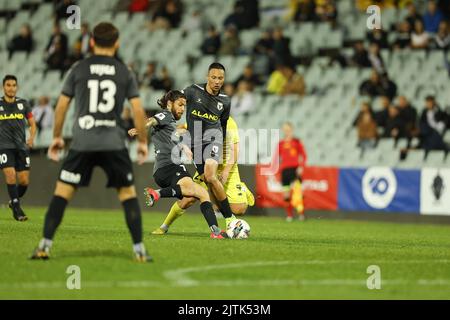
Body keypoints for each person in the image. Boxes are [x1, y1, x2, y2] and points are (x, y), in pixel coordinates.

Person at [30, 22, 151, 262]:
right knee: (127, 195)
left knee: (62, 193)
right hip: (113, 143)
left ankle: (44, 246)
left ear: (92, 42)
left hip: (82, 143)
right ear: (117, 44)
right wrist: (142, 142)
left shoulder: (79, 68)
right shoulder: (124, 71)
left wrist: (56, 137)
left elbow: (62, 105)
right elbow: (137, 109)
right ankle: (139, 250)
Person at [145, 62, 237, 230]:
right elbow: (175, 99)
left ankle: (231, 219)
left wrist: (221, 147)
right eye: (214, 77)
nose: (217, 81)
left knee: (209, 176)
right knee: (194, 193)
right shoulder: (192, 91)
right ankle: (164, 225)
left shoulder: (225, 101)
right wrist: (164, 110)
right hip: (195, 145)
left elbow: (222, 125)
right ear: (207, 77)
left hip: (212, 140)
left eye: (220, 78)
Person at [128, 90, 229, 238]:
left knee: (193, 196)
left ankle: (164, 225)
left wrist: (184, 147)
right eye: (180, 104)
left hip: (164, 169)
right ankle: (157, 193)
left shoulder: (170, 123)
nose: (182, 109)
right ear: (170, 104)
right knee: (202, 193)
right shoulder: (166, 115)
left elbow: (172, 137)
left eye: (184, 106)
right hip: (169, 167)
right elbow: (153, 120)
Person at [150, 115, 255, 235]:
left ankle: (241, 189)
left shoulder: (229, 123)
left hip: (226, 166)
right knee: (187, 199)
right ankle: (164, 227)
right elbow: (179, 130)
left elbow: (235, 151)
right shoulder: (200, 118)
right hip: (207, 166)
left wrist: (226, 171)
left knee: (239, 209)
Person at [0, 75, 37, 221]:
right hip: (4, 147)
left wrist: (32, 138)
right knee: (10, 175)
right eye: (8, 85)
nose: (11, 88)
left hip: (21, 147)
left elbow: (32, 123)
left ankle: (13, 201)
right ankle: (17, 209)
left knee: (24, 182)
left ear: (17, 87)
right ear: (3, 87)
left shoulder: (23, 104)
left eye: (14, 85)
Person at [272, 122, 307, 222]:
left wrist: (301, 167)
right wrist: (278, 170)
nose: (286, 131)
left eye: (288, 129)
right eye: (285, 129)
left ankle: (301, 214)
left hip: (295, 169)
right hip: (285, 171)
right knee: (286, 194)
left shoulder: (297, 141)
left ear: (291, 129)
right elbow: (276, 158)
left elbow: (304, 155)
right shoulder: (281, 143)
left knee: (298, 193)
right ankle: (289, 215)